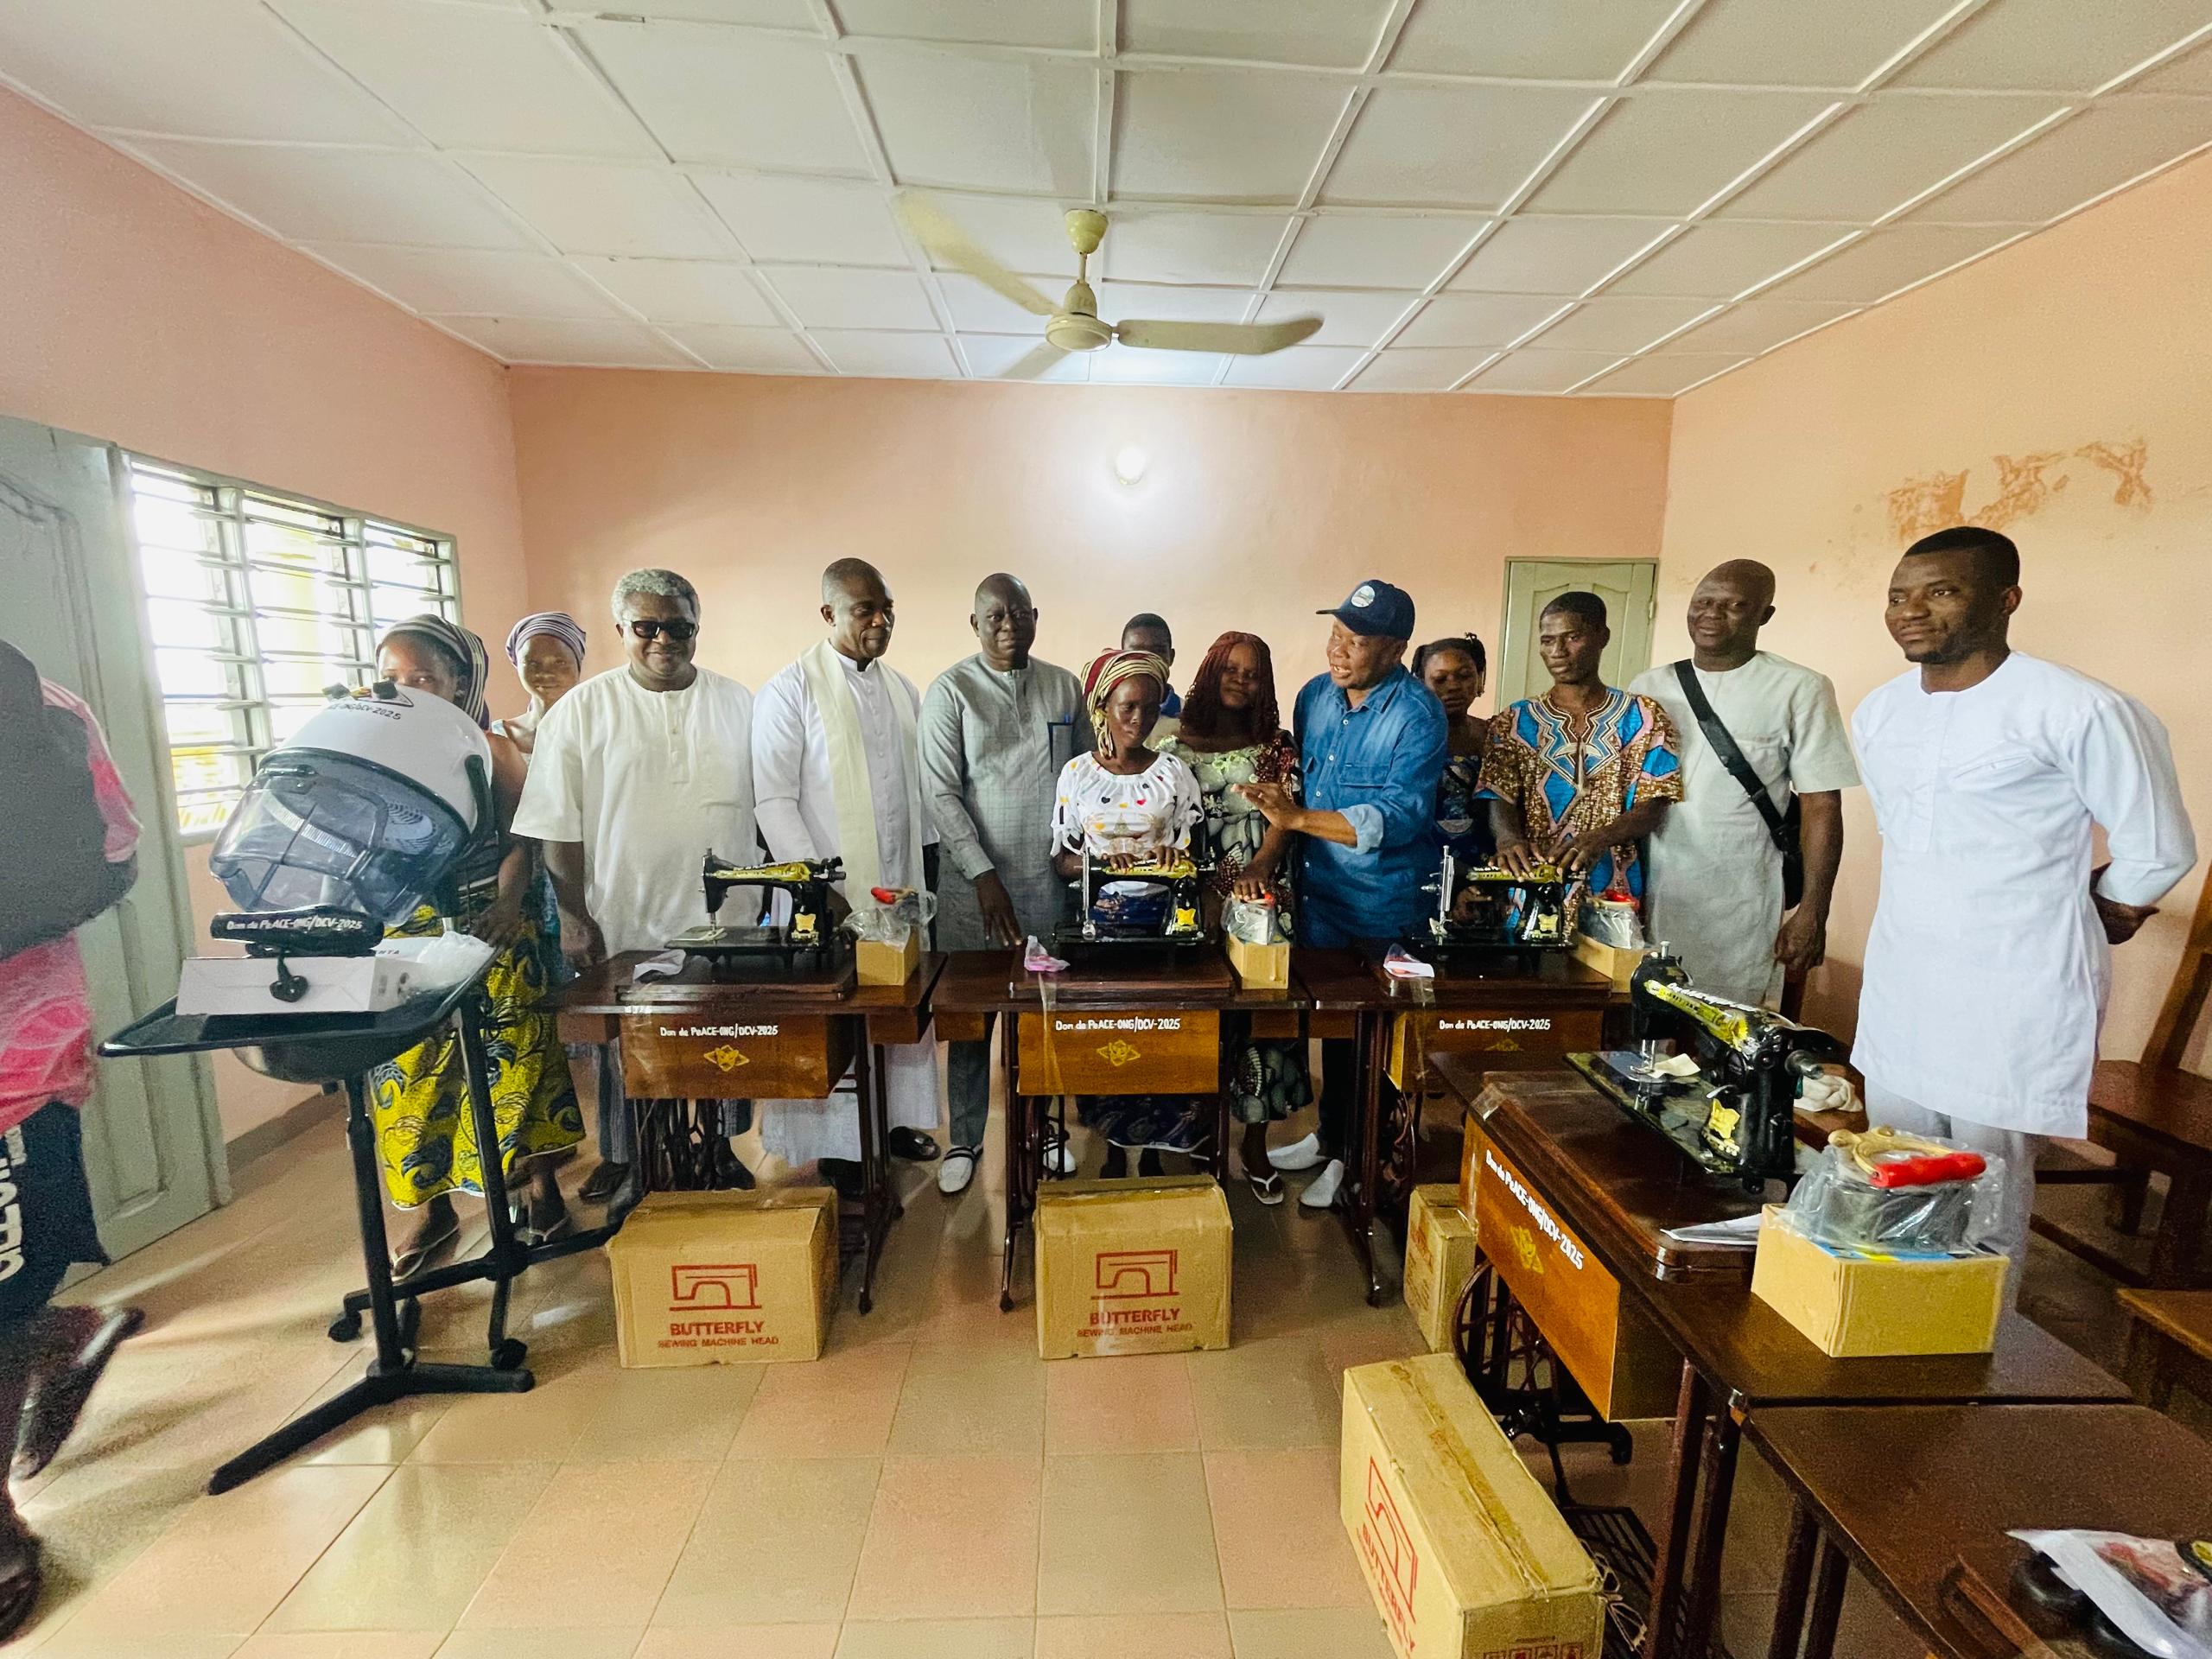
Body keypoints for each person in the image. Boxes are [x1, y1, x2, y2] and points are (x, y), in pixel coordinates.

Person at [1853, 526, 2194, 1302]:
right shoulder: (1881, 712)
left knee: (1987, 1192)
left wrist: (2107, 906)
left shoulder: (2079, 708)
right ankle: (1890, 1329)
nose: (1911, 611)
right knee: (1896, 1172)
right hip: (1907, 972)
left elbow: (2159, 843)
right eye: (1899, 595)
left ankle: (1980, 1370)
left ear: (2006, 600)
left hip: (2014, 981)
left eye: (1940, 592)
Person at [510, 569, 762, 1202]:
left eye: (679, 627)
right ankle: (630, 1161)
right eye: (646, 627)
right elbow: (555, 828)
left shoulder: (740, 704)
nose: (663, 640)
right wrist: (573, 916)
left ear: (696, 631)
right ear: (622, 630)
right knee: (627, 1046)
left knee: (720, 1035)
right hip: (622, 914)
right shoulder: (581, 711)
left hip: (724, 914)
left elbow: (769, 808)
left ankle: (720, 1149)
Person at [0, 645, 145, 1634]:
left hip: (14, 1057)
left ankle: (1, 1523)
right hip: (32, 1039)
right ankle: (59, 1336)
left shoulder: (39, 709)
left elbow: (110, 855)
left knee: (7, 1282)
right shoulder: (51, 702)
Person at [367, 616, 582, 1274]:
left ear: (461, 681)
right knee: (413, 1077)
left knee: (516, 1063)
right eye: (393, 679)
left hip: (490, 924)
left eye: (424, 678)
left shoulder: (488, 747)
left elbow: (525, 837)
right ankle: (432, 1211)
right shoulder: (368, 749)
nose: (409, 691)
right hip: (403, 934)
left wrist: (507, 905)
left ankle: (541, 1188)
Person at [1237, 580, 1446, 1211]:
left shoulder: (1417, 714)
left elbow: (1399, 816)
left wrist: (1298, 820)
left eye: (1357, 641)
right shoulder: (1313, 699)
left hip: (1383, 906)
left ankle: (1358, 1161)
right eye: (1337, 635)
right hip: (1318, 898)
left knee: (1374, 1042)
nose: (1341, 651)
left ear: (1397, 649)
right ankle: (1330, 1140)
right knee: (1332, 1028)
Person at [751, 560, 943, 1192]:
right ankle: (836, 1148)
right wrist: (817, 887)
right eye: (866, 610)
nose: (882, 621)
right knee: (836, 1015)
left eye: (888, 608)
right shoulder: (790, 690)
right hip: (827, 891)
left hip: (895, 881)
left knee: (896, 1004)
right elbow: (773, 799)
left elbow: (915, 792)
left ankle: (890, 1125)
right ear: (829, 614)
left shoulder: (901, 689)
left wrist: (925, 864)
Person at [918, 574, 1083, 1197]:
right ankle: (965, 1138)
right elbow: (940, 792)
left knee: (1043, 1015)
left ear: (1036, 616)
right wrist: (982, 874)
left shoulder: (1064, 686)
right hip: (974, 891)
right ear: (975, 624)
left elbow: (1086, 775)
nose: (1008, 625)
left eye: (1018, 613)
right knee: (969, 1018)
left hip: (1048, 886)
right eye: (995, 616)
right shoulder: (950, 691)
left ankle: (1044, 1129)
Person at [1628, 563, 1858, 1007]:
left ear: (1764, 615)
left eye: (1734, 606)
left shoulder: (1799, 688)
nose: (1712, 615)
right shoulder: (1649, 686)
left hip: (1741, 900)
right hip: (1651, 888)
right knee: (1646, 1021)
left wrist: (1813, 911)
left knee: (1730, 1025)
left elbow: (1822, 806)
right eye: (1703, 603)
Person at [1158, 632, 1312, 1203]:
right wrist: (1202, 889)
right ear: (1211, 668)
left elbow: (1285, 817)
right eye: (1232, 668)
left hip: (1262, 900)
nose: (1241, 680)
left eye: (1253, 674)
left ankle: (1254, 1142)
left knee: (1264, 1026)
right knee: (1201, 1019)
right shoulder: (1174, 748)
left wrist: (1261, 872)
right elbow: (1168, 825)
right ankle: (1200, 1132)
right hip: (1194, 899)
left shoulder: (1276, 744)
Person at [1051, 647, 1204, 1177]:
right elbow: (1063, 861)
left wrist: (1172, 855)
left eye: (1149, 707)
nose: (1139, 720)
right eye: (1126, 708)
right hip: (1101, 930)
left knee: (1160, 1034)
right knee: (1111, 1035)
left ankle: (1160, 1148)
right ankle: (1115, 1146)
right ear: (1103, 708)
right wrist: (1096, 860)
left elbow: (1193, 853)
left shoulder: (1174, 774)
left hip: (1163, 928)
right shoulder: (1077, 776)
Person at [1483, 591, 1683, 924]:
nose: (1558, 652)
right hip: (1532, 884)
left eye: (1572, 638)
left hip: (1614, 888)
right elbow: (1497, 792)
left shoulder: (1644, 716)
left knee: (1609, 973)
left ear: (1602, 637)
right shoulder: (1515, 721)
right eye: (1548, 641)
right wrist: (1508, 838)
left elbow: (1655, 804)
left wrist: (1599, 838)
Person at [1413, 632, 1495, 865]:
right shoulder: (1409, 738)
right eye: (1440, 679)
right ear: (1422, 683)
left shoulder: (1495, 734)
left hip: (1488, 864)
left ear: (1479, 678)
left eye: (1465, 676)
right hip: (1425, 863)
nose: (1454, 687)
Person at [1122, 613, 1180, 739]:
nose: (1148, 659)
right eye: (1137, 652)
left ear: (1171, 657)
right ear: (1122, 657)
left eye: (1158, 651)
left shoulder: (1190, 717)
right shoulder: (1106, 716)